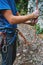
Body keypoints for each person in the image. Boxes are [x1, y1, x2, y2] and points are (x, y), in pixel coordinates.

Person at [0, 0, 39, 65]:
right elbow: (11, 19)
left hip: (12, 34)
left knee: (12, 58)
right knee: (7, 62)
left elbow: (17, 16)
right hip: (6, 36)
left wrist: (29, 22)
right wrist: (32, 15)